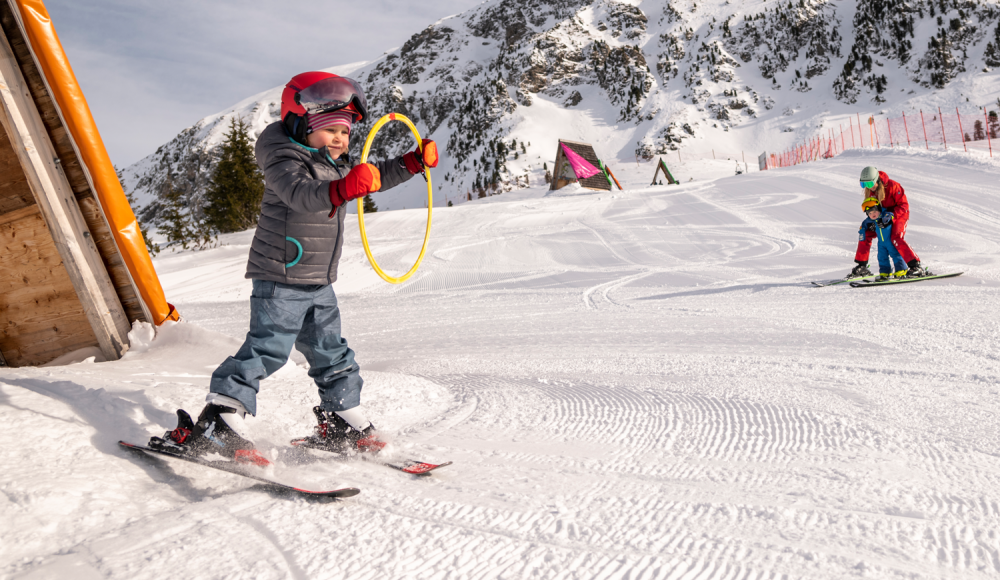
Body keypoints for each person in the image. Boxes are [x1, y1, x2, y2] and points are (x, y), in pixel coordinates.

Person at [149, 72, 439, 466]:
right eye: (330, 129)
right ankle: (219, 417)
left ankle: (342, 418)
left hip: (318, 280)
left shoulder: (333, 162)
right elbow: (301, 195)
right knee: (268, 348)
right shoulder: (284, 159)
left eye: (346, 131)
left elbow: (372, 177)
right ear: (302, 124)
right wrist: (343, 188)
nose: (340, 138)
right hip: (281, 275)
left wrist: (411, 163)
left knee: (331, 352)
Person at [848, 166, 925, 279]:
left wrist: (891, 216)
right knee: (864, 231)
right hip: (881, 215)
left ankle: (915, 266)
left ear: (876, 180)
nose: (867, 187)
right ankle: (862, 266)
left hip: (899, 214)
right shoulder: (870, 191)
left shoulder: (893, 186)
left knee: (895, 237)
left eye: (869, 184)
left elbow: (903, 206)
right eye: (863, 185)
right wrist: (871, 222)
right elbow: (872, 206)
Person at [859, 197, 908, 280]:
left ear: (879, 210)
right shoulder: (872, 220)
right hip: (881, 243)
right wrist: (862, 231)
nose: (873, 214)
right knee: (881, 257)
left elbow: (891, 215)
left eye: (874, 211)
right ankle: (885, 272)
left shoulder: (885, 214)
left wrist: (888, 218)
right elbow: (864, 223)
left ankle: (901, 269)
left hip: (890, 241)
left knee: (895, 254)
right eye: (870, 213)